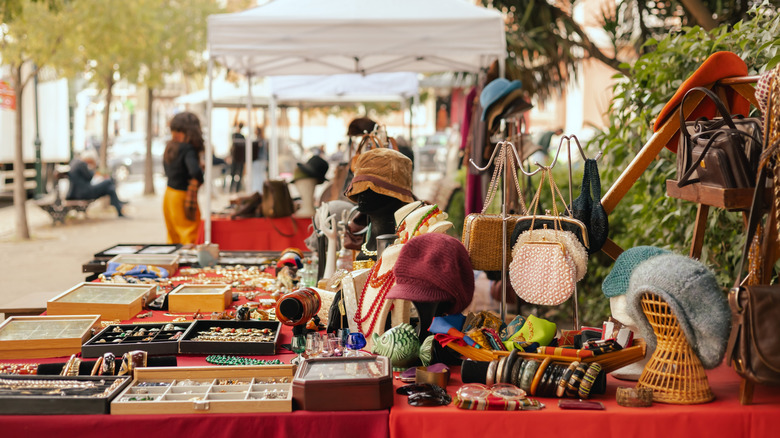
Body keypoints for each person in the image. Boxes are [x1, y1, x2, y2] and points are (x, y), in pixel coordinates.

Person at [163, 112, 205, 244]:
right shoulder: (188, 149)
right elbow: (195, 171)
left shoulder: (170, 146)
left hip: (168, 195)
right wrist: (199, 177)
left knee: (173, 236)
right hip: (182, 196)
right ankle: (187, 265)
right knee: (189, 234)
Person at [66, 149, 127, 217]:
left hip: (79, 193)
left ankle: (118, 207)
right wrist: (91, 168)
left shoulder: (75, 162)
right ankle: (118, 203)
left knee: (110, 189)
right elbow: (90, 177)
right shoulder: (82, 164)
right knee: (108, 181)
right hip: (84, 193)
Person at [229, 122, 246, 193]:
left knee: (238, 175)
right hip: (236, 158)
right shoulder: (235, 135)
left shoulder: (241, 137)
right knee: (234, 174)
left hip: (239, 159)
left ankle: (236, 189)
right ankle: (233, 189)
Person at [250, 126, 267, 193]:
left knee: (258, 175)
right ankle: (260, 190)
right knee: (260, 175)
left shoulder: (259, 140)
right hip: (262, 160)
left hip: (258, 160)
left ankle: (258, 190)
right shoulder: (262, 140)